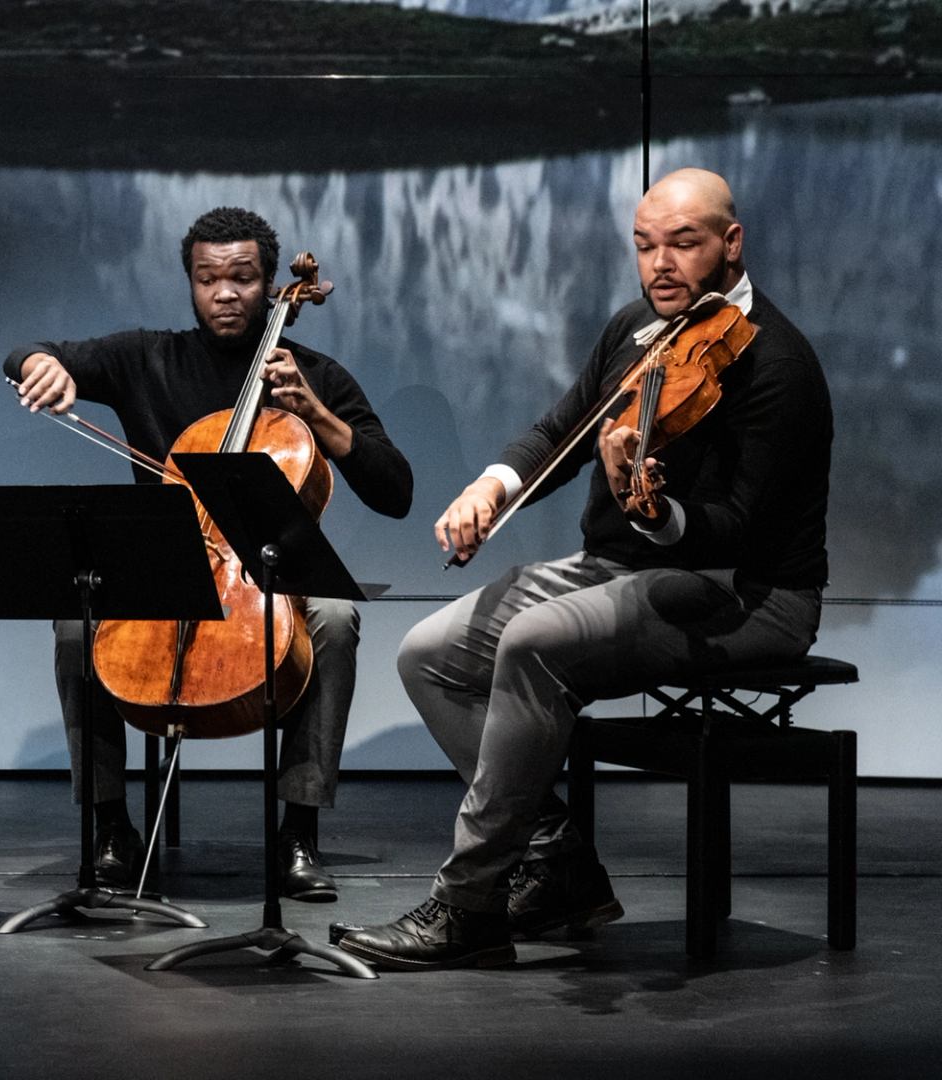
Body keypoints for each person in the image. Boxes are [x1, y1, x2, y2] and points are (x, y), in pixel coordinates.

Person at [338, 168, 832, 971]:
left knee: (533, 641)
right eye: (644, 247)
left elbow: (738, 529)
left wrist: (651, 511)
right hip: (618, 571)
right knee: (429, 653)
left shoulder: (778, 365)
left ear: (732, 243)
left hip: (748, 593)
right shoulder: (638, 328)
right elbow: (561, 430)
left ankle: (469, 906)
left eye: (683, 244)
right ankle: (556, 855)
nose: (660, 264)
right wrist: (489, 490)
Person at [6, 206, 413, 901]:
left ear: (268, 284)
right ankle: (110, 827)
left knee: (337, 621)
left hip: (271, 572)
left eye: (244, 278)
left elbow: (395, 489)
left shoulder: (314, 375)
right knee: (75, 625)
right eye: (208, 278)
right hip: (165, 566)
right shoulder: (146, 358)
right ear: (191, 283)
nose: (225, 293)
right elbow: (25, 352)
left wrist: (318, 417)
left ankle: (299, 831)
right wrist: (39, 364)